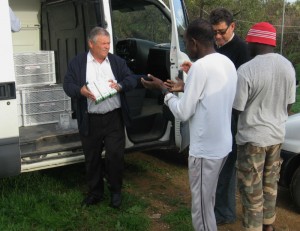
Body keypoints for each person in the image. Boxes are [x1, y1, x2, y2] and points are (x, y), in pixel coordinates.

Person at [141, 18, 237, 231]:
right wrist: (186, 85)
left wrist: (163, 91)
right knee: (208, 201)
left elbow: (183, 112)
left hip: (205, 151)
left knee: (201, 211)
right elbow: (211, 95)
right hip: (222, 146)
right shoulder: (226, 62)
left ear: (194, 42)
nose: (186, 48)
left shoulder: (200, 68)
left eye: (186, 43)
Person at [63, 27, 139, 208]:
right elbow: (68, 85)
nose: (107, 47)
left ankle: (116, 192)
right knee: (92, 158)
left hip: (114, 118)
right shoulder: (78, 63)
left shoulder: (116, 62)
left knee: (115, 156)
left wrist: (120, 86)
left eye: (108, 43)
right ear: (91, 44)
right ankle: (95, 193)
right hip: (90, 119)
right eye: (103, 44)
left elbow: (132, 80)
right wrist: (80, 91)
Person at [233, 22, 296, 231]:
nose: (247, 45)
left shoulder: (247, 69)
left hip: (253, 139)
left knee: (251, 189)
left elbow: (238, 108)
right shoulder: (287, 66)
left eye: (249, 41)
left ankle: (253, 228)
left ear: (255, 42)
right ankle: (268, 226)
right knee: (270, 186)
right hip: (277, 137)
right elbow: (288, 105)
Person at [209, 7, 250, 225]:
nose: (217, 37)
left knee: (226, 166)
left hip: (233, 116)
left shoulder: (242, 49)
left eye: (221, 32)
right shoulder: (215, 47)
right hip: (218, 114)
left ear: (232, 26)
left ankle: (225, 213)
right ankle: (218, 208)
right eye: (214, 32)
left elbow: (243, 88)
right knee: (218, 164)